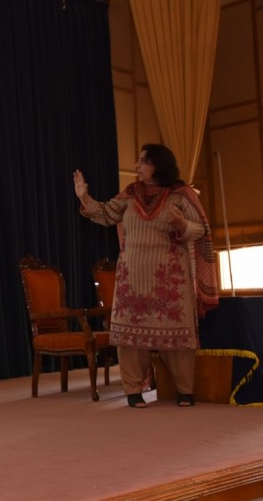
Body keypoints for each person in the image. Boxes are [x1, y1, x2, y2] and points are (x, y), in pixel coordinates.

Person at [73, 143, 219, 408]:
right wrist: (84, 197)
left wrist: (182, 223)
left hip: (170, 283)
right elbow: (105, 214)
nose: (137, 166)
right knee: (130, 339)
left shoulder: (181, 195)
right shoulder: (130, 194)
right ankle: (133, 391)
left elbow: (201, 230)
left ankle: (185, 391)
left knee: (178, 338)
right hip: (132, 281)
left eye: (143, 161)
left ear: (158, 165)